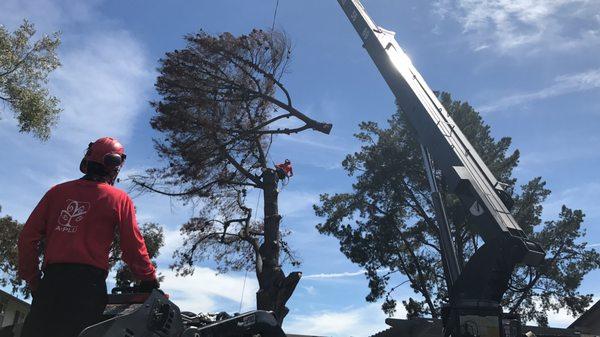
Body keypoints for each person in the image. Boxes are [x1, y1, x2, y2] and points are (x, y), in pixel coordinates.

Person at [18, 137, 159, 337]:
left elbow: (27, 239)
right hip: (87, 289)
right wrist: (148, 278)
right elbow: (132, 246)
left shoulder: (56, 192)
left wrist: (34, 281)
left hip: (50, 284)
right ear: (114, 164)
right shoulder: (119, 199)